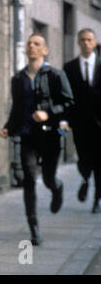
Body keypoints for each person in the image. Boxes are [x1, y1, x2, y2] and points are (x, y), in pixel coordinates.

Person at [0, 33, 74, 245]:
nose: (32, 47)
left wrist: (48, 112)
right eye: (30, 44)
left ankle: (56, 187)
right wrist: (8, 127)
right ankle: (34, 228)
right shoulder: (18, 78)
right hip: (28, 136)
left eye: (37, 44)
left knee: (48, 177)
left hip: (50, 135)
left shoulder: (56, 75)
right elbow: (17, 108)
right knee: (29, 179)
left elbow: (69, 103)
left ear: (45, 50)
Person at [64, 28, 101, 214]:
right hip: (80, 123)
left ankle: (97, 198)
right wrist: (66, 120)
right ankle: (85, 179)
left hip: (100, 123)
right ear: (78, 43)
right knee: (84, 158)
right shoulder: (69, 68)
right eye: (83, 40)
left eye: (89, 40)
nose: (86, 43)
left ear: (94, 43)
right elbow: (66, 96)